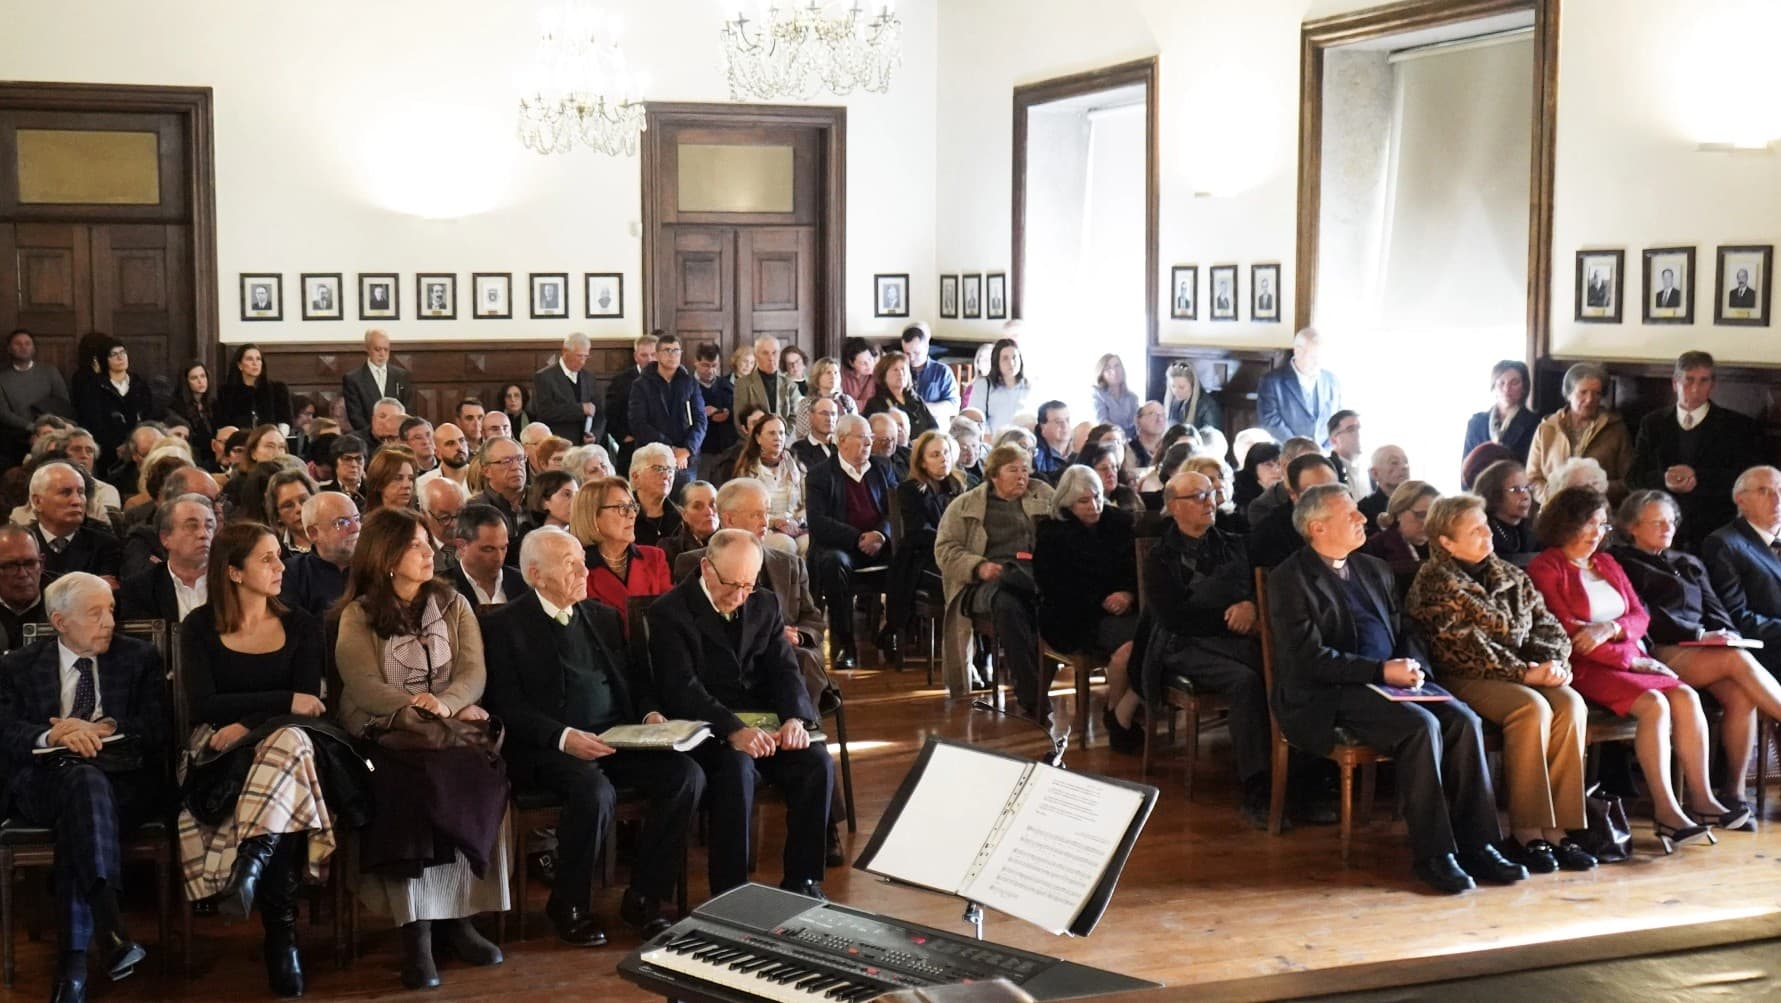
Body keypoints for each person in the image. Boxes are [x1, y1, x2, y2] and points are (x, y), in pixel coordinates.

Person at [1267, 485, 1524, 894]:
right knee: (1419, 726)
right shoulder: (1289, 579)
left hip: (1392, 680)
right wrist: (1380, 670)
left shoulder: (1374, 569)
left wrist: (1413, 666)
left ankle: (1480, 845)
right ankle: (1434, 854)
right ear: (1317, 527)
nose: (1363, 519)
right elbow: (1307, 659)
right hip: (1328, 693)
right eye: (1351, 514)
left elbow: (1405, 630)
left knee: (1463, 720)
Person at [481, 527, 701, 944]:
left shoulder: (601, 616)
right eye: (571, 565)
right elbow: (506, 706)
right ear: (535, 574)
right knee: (593, 790)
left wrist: (651, 714)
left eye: (583, 560)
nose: (585, 571)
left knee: (685, 775)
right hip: (547, 748)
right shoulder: (504, 625)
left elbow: (637, 680)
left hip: (616, 736)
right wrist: (564, 737)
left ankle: (645, 898)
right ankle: (569, 902)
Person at [178, 523, 363, 996]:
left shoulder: (302, 622)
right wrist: (270, 712)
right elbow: (204, 705)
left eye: (279, 556)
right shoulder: (199, 626)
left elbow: (310, 705)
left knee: (289, 744)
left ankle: (252, 863)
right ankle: (282, 936)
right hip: (221, 750)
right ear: (234, 573)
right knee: (288, 748)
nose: (281, 567)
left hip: (292, 746)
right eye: (267, 559)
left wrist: (252, 722)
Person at [334, 508, 509, 989]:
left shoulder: (453, 603)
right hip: (383, 730)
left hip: (445, 727)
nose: (429, 552)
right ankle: (419, 931)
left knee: (475, 769)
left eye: (427, 543)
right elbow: (363, 684)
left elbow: (473, 672)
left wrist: (447, 707)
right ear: (388, 557)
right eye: (415, 545)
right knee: (412, 785)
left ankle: (459, 918)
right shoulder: (359, 614)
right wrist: (417, 706)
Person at [1527, 487, 1732, 851]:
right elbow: (1568, 632)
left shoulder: (1606, 563)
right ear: (1566, 524)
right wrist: (1630, 658)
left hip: (1625, 657)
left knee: (1684, 695)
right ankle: (1666, 811)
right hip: (1585, 667)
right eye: (1590, 524)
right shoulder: (1547, 566)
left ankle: (1701, 802)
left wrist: (1612, 628)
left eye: (1603, 525)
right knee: (1653, 703)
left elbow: (1639, 616)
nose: (1597, 533)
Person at [1406, 496, 1598, 873]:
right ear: (1446, 542)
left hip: (1523, 670)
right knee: (1531, 707)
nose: (1487, 535)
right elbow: (1459, 644)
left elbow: (1547, 625)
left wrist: (1553, 663)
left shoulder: (1510, 574)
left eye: (1486, 526)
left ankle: (1559, 828)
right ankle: (1527, 831)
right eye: (1474, 530)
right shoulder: (1434, 580)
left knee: (1571, 703)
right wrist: (1524, 674)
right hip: (1463, 674)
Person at [0, 573, 165, 1000]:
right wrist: (53, 736)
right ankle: (109, 928)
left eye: (111, 609)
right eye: (95, 613)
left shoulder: (139, 658)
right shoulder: (18, 666)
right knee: (80, 782)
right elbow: (5, 731)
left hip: (123, 784)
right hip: (44, 784)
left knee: (85, 789)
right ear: (59, 621)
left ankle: (74, 963)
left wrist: (104, 726)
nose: (109, 621)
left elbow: (157, 728)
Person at [647, 530, 833, 898]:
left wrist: (794, 718)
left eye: (747, 585)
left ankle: (804, 880)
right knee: (737, 769)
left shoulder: (763, 603)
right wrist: (733, 730)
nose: (738, 596)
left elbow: (784, 669)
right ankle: (731, 891)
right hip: (707, 729)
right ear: (706, 568)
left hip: (764, 725)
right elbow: (681, 689)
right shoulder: (669, 611)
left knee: (817, 764)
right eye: (731, 584)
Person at [1616, 488, 1781, 823]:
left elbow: (1715, 607)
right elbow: (1645, 617)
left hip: (1704, 650)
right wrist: (1698, 635)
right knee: (1736, 661)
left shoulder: (1687, 561)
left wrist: (1725, 633)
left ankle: (1732, 795)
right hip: (1661, 649)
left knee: (1740, 694)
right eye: (1657, 522)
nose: (1667, 529)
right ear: (1633, 526)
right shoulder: (1624, 562)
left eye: (1671, 522)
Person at [1137, 470, 1271, 822]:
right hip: (1181, 645)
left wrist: (1252, 607)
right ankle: (1257, 784)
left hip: (1238, 636)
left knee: (1285, 667)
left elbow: (1261, 586)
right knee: (1246, 681)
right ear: (1173, 507)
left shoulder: (1235, 542)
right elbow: (1175, 618)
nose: (1209, 501)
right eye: (1197, 496)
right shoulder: (1160, 557)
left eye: (1211, 493)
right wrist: (1231, 618)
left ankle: (1298, 772)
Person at [935, 444, 1054, 705]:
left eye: (1025, 469)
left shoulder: (1043, 496)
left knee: (1046, 604)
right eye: (1013, 470)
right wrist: (978, 566)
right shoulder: (966, 505)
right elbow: (945, 550)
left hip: (1034, 577)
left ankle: (1036, 686)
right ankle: (1031, 695)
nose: (1022, 476)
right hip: (984, 582)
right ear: (994, 475)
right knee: (1007, 603)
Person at [1629, 352, 1761, 552]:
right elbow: (1634, 477)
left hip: (1715, 529)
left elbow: (1746, 481)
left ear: (1712, 385)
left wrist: (1698, 478)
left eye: (1703, 381)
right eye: (1688, 380)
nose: (1695, 388)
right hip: (1661, 529)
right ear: (1675, 383)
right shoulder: (1652, 423)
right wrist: (1665, 480)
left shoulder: (1738, 426)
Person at [1036, 464, 1138, 719]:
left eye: (1097, 497)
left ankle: (1125, 707)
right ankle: (1118, 712)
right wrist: (1102, 601)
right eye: (1083, 501)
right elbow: (1055, 585)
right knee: (1136, 643)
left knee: (1153, 636)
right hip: (1074, 616)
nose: (1094, 506)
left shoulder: (1119, 523)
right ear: (1068, 504)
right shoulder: (1053, 533)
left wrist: (1128, 594)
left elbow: (1136, 569)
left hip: (1122, 607)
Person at [806, 414, 899, 668]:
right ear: (842, 441)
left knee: (908, 559)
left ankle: (891, 632)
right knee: (833, 563)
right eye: (862, 437)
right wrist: (858, 538)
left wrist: (880, 534)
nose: (869, 443)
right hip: (841, 546)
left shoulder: (883, 468)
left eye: (870, 437)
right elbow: (818, 522)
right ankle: (844, 644)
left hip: (879, 544)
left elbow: (896, 511)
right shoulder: (820, 475)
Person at [570, 476, 671, 631]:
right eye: (622, 508)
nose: (632, 515)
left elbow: (670, 615)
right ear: (593, 516)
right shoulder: (575, 568)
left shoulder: (654, 557)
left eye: (632, 506)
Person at [1703, 466, 1781, 663]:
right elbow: (1737, 617)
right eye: (1764, 491)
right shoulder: (1724, 544)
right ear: (1741, 500)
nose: (1777, 499)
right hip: (1768, 651)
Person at [1526, 362, 1632, 503]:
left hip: (1598, 508)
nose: (1589, 399)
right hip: (1553, 509)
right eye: (1583, 392)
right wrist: (1553, 498)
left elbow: (1629, 480)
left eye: (1597, 393)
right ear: (1569, 394)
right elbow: (1533, 478)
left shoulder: (1615, 428)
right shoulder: (1547, 428)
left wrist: (1599, 489)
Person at [118, 493, 214, 623]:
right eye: (192, 526)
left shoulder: (234, 583)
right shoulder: (138, 590)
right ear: (165, 538)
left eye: (209, 526)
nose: (204, 534)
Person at [627, 335, 707, 478]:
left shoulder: (690, 382)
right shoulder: (641, 384)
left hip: (684, 458)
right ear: (657, 355)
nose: (672, 355)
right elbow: (638, 423)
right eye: (667, 350)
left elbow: (700, 420)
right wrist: (669, 449)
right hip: (653, 454)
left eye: (676, 350)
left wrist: (687, 449)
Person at [730, 414, 806, 554]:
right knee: (786, 545)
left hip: (795, 524)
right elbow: (747, 510)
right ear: (758, 438)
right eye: (772, 433)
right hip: (764, 527)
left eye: (781, 433)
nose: (778, 437)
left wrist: (797, 521)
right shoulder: (748, 470)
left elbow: (808, 502)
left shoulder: (795, 466)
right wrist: (776, 523)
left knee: (809, 544)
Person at [1249, 453, 1340, 569]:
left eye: (1333, 489)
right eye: (1314, 493)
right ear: (1293, 495)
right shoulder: (1271, 532)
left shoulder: (1351, 518)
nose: (1327, 498)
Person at [1255, 327, 1342, 446]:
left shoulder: (1331, 381)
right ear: (1298, 352)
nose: (1318, 362)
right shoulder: (1272, 382)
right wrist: (1299, 448)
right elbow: (1270, 421)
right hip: (1288, 454)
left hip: (1325, 454)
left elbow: (1339, 419)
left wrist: (1326, 450)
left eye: (1321, 357)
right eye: (1313, 357)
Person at [278, 492, 360, 617]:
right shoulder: (292, 574)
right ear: (313, 533)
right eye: (342, 523)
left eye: (357, 519)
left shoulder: (375, 564)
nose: (355, 528)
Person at [75, 337, 153, 464]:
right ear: (105, 360)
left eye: (123, 353)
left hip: (140, 450)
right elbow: (93, 422)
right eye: (114, 354)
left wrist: (134, 444)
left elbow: (148, 416)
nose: (120, 358)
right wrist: (113, 447)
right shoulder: (94, 387)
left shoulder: (139, 384)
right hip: (108, 453)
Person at [0, 329, 74, 465]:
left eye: (28, 343)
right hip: (17, 437)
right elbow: (3, 412)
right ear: (9, 349)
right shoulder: (2, 377)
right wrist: (31, 427)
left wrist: (49, 427)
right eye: (18, 344)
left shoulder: (49, 371)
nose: (23, 347)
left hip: (52, 434)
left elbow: (63, 402)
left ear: (34, 348)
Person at [1359, 479, 1439, 591]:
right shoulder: (1374, 548)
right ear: (1398, 512)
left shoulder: (1443, 545)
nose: (1427, 522)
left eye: (1433, 516)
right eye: (1420, 514)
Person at [532, 332, 605, 447]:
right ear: (565, 351)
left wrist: (594, 434)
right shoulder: (545, 377)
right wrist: (580, 409)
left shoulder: (589, 377)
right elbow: (544, 412)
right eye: (579, 356)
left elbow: (599, 412)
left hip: (585, 449)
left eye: (586, 356)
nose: (582, 361)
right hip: (558, 446)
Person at [1462, 360, 1539, 464]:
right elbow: (1466, 466)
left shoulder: (1535, 424)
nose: (1507, 389)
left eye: (1514, 383)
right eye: (1501, 383)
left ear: (1524, 387)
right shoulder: (1477, 422)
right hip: (1480, 480)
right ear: (1494, 386)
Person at [449, 504, 525, 607]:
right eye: (488, 549)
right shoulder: (442, 590)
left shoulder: (523, 583)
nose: (499, 558)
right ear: (461, 546)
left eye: (503, 548)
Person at [341, 330, 412, 433]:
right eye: (378, 349)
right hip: (369, 437)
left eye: (386, 350)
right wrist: (374, 434)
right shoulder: (353, 379)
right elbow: (355, 415)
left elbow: (408, 409)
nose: (382, 354)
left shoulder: (401, 375)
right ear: (367, 348)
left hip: (398, 436)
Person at [863, 351, 939, 443]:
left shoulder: (916, 399)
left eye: (903, 369)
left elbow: (934, 427)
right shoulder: (876, 403)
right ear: (883, 375)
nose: (900, 373)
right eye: (895, 370)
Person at [468, 436, 527, 554]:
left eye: (520, 459)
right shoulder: (476, 510)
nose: (516, 467)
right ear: (486, 471)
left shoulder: (542, 499)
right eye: (506, 461)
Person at [216, 344, 293, 433]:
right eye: (249, 359)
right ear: (239, 365)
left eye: (258, 359)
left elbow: (284, 422)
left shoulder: (277, 389)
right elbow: (223, 425)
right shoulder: (227, 392)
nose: (255, 363)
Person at [1246, 436, 1319, 529]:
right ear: (1285, 465)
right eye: (1306, 464)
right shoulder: (1262, 506)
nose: (1315, 469)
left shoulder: (1327, 493)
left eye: (1318, 463)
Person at [1473, 460, 1537, 560]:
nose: (1525, 496)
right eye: (1516, 490)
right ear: (1494, 494)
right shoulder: (1483, 533)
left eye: (1527, 488)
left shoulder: (1533, 528)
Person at [964, 339, 1030, 434]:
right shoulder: (983, 385)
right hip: (992, 444)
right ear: (997, 362)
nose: (1011, 363)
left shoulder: (1029, 388)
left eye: (1014, 357)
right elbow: (973, 419)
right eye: (1005, 358)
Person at [733, 335, 802, 424]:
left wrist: (781, 436)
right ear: (756, 356)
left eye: (774, 352)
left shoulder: (791, 385)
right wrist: (760, 437)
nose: (771, 358)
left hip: (784, 436)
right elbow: (740, 421)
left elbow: (796, 418)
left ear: (780, 354)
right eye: (765, 353)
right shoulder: (743, 384)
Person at [692, 342, 735, 479]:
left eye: (714, 366)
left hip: (725, 449)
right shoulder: (686, 386)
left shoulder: (727, 386)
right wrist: (701, 413)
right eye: (705, 365)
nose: (710, 370)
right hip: (700, 449)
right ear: (696, 362)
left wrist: (728, 413)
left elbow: (738, 413)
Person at [901, 323, 959, 424]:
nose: (912, 358)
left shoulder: (943, 371)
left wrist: (923, 408)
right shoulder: (899, 370)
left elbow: (953, 406)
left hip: (934, 428)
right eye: (907, 353)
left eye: (916, 353)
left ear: (927, 347)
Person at [628, 443, 684, 548]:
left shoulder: (681, 517)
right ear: (636, 477)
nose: (666, 475)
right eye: (658, 469)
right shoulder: (622, 515)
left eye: (670, 469)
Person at [0, 526, 46, 649]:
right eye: (10, 566)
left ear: (41, 565)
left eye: (30, 563)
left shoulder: (66, 601)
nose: (23, 574)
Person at [165, 361, 217, 470]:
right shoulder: (177, 407)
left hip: (213, 457)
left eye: (203, 376)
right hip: (193, 459)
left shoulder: (213, 404)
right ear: (186, 382)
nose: (200, 381)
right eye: (194, 378)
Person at [657, 480, 718, 566]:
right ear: (684, 514)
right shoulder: (669, 548)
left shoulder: (733, 542)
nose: (709, 512)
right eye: (698, 506)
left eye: (713, 504)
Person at [1162, 360, 1224, 436]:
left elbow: (1212, 441)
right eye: (1173, 386)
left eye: (1181, 387)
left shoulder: (1208, 407)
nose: (1176, 391)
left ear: (1193, 385)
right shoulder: (1174, 403)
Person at [1359, 445, 1409, 535]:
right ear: (1374, 473)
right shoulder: (1364, 510)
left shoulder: (1420, 501)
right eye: (1394, 462)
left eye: (1406, 461)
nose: (1404, 466)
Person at [420, 477, 466, 571]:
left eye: (460, 514)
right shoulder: (415, 554)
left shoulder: (477, 540)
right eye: (445, 518)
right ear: (424, 515)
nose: (454, 524)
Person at [1091, 354, 1140, 435]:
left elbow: (1137, 423)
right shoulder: (1097, 394)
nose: (1114, 371)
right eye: (1108, 368)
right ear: (1101, 374)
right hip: (1107, 438)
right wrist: (1122, 435)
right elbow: (1102, 423)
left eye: (1117, 366)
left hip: (1131, 440)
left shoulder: (1133, 397)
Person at [318, 433, 368, 509]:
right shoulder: (323, 493)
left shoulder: (374, 493)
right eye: (347, 459)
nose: (354, 465)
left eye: (359, 459)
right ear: (334, 462)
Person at [362, 447, 418, 513]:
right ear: (379, 483)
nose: (407, 485)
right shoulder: (363, 522)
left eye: (410, 479)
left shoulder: (420, 520)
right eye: (398, 478)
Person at [417, 422, 470, 490]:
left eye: (461, 440)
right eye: (450, 443)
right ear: (438, 453)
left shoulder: (482, 477)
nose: (459, 447)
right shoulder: (423, 484)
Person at [523, 469, 578, 535]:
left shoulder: (584, 538)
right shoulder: (532, 538)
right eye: (566, 494)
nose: (575, 501)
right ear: (543, 502)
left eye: (577, 495)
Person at [1030, 400, 1073, 481]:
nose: (1065, 425)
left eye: (1067, 420)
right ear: (1043, 427)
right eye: (1058, 421)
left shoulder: (1081, 449)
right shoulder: (1035, 457)